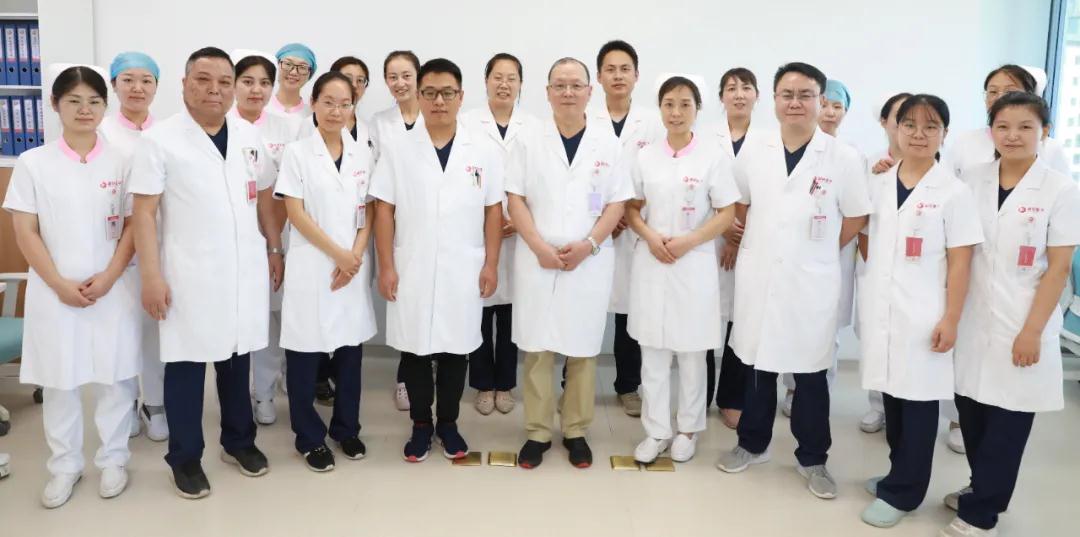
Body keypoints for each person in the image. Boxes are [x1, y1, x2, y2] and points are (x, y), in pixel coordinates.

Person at [716, 62, 871, 501]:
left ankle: (813, 457)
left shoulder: (842, 157)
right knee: (758, 366)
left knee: (810, 374)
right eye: (787, 94)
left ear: (821, 101)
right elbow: (741, 201)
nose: (796, 102)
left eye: (806, 95)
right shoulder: (755, 149)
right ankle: (752, 444)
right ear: (775, 100)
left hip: (810, 281)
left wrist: (818, 250)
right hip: (761, 273)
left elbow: (857, 215)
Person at [129, 47, 279, 499]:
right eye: (203, 80)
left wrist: (274, 247)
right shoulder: (159, 140)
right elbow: (143, 213)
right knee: (187, 368)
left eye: (224, 82)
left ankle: (239, 442)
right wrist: (151, 276)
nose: (215, 90)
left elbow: (266, 196)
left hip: (243, 270)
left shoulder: (249, 135)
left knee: (237, 359)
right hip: (188, 275)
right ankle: (185, 458)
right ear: (184, 84)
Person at [941, 92, 1080, 537]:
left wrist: (1032, 331)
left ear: (1045, 132)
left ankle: (982, 515)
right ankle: (980, 487)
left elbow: (1058, 268)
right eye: (1003, 126)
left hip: (1024, 319)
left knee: (1007, 422)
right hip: (973, 317)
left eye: (1025, 127)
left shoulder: (1061, 190)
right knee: (972, 410)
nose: (1013, 135)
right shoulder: (971, 180)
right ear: (991, 132)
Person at [3, 65, 142, 508]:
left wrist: (109, 276)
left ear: (105, 105)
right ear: (55, 105)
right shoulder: (34, 163)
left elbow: (133, 226)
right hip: (54, 290)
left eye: (94, 102)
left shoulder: (123, 161)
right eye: (74, 101)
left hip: (112, 287)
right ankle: (65, 466)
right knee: (59, 381)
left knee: (115, 378)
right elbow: (25, 231)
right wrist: (59, 284)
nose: (85, 110)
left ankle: (114, 459)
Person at [856, 95, 983, 528]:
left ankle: (905, 492)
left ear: (944, 134)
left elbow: (962, 261)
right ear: (895, 129)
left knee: (919, 405)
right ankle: (897, 475)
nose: (918, 134)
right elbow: (865, 236)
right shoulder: (879, 182)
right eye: (909, 125)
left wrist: (951, 318)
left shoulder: (954, 192)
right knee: (893, 398)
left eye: (930, 127)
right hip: (885, 311)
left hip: (926, 313)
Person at [372, 58, 504, 462]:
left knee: (455, 348)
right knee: (414, 349)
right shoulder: (398, 148)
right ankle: (420, 425)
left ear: (461, 96)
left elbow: (493, 210)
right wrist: (386, 266)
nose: (439, 101)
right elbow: (384, 210)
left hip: (464, 265)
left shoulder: (483, 149)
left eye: (447, 93)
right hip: (411, 264)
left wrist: (491, 264)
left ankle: (448, 423)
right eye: (429, 93)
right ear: (419, 96)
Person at [506, 57, 632, 469]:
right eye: (559, 85)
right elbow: (515, 198)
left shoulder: (608, 143)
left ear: (589, 92)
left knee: (582, 347)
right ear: (547, 93)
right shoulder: (528, 139)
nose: (567, 92)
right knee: (538, 347)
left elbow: (617, 203)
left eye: (576, 85)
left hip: (588, 259)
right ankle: (538, 432)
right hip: (537, 256)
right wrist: (538, 246)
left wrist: (590, 245)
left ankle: (576, 429)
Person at [626, 76, 739, 464]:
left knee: (691, 353)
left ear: (697, 109)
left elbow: (727, 212)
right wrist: (650, 237)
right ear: (660, 108)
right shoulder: (645, 156)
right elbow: (632, 208)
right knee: (653, 351)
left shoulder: (712, 156)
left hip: (693, 263)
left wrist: (690, 241)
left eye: (685, 104)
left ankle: (688, 429)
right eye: (669, 104)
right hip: (653, 260)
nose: (676, 112)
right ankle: (656, 431)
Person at [275, 72, 376, 472]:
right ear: (313, 104)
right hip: (314, 264)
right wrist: (339, 255)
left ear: (353, 107)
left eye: (345, 103)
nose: (336, 111)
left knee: (350, 351)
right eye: (328, 102)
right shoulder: (297, 153)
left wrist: (355, 255)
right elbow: (295, 213)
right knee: (304, 351)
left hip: (351, 265)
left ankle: (346, 428)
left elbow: (369, 211)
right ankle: (308, 436)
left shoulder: (363, 154)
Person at [461, 53, 538, 415]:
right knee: (479, 307)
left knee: (511, 313)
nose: (504, 84)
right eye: (498, 77)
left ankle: (505, 384)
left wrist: (519, 219)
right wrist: (487, 217)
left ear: (521, 84)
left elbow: (540, 181)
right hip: (477, 228)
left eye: (512, 78)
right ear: (486, 81)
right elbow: (463, 175)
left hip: (521, 231)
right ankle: (482, 383)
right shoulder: (466, 123)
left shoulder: (535, 127)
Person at [779, 78, 858, 418]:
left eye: (837, 106)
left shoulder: (850, 156)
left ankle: (818, 391)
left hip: (831, 256)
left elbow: (857, 213)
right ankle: (791, 388)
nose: (829, 112)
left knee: (825, 330)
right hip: (793, 255)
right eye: (825, 104)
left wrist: (828, 245)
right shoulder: (785, 148)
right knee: (789, 321)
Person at [592, 40, 664, 417]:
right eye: (610, 69)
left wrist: (625, 214)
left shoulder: (654, 122)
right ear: (599, 76)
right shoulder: (585, 117)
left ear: (636, 75)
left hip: (635, 227)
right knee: (585, 305)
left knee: (629, 312)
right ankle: (574, 382)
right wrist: (605, 218)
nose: (618, 76)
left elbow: (659, 175)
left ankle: (628, 385)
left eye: (625, 69)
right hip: (594, 226)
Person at [99, 51, 164, 441]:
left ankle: (155, 403)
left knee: (157, 329)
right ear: (114, 85)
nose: (137, 88)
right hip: (114, 248)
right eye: (128, 80)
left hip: (159, 246)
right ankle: (124, 405)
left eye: (146, 80)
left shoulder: (168, 133)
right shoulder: (101, 133)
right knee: (120, 332)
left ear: (156, 86)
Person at [230, 50, 297, 426]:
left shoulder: (288, 128)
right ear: (234, 84)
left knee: (272, 315)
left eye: (264, 83)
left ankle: (265, 392)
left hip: (278, 234)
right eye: (248, 81)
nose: (256, 90)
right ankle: (238, 397)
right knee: (240, 319)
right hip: (234, 240)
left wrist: (274, 242)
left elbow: (288, 190)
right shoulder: (220, 124)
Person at [705, 67, 759, 429]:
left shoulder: (770, 141)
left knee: (742, 321)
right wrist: (724, 229)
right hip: (710, 238)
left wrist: (740, 235)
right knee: (706, 320)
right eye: (731, 88)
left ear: (757, 95)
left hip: (753, 240)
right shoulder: (704, 137)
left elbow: (772, 193)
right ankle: (699, 395)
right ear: (721, 97)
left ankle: (732, 399)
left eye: (746, 88)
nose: (739, 94)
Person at [371, 50, 424, 411]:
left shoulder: (436, 116)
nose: (400, 83)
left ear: (418, 77)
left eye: (406, 75)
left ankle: (431, 369)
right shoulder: (379, 123)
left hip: (428, 221)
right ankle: (406, 378)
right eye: (393, 76)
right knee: (404, 303)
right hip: (392, 220)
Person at [858, 91, 914, 434]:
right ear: (885, 122)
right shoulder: (871, 166)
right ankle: (878, 406)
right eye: (902, 119)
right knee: (877, 338)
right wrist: (875, 268)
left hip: (918, 275)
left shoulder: (937, 168)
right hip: (877, 271)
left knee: (915, 345)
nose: (911, 129)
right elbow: (862, 224)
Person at [945, 64, 1070, 180]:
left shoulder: (1051, 149)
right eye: (993, 92)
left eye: (1010, 92)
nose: (999, 98)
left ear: (1030, 97)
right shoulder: (965, 141)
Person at [298, 56, 372, 145]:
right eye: (347, 78)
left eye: (360, 80)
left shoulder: (368, 128)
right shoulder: (310, 124)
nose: (354, 85)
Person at [269, 43, 317, 134]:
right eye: (288, 64)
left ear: (309, 74)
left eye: (302, 67)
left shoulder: (313, 116)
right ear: (277, 66)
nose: (294, 72)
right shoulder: (261, 107)